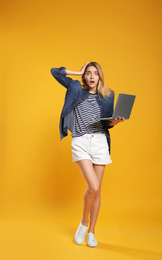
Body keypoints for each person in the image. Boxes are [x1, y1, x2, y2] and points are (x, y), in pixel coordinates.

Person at [50, 62, 125, 247]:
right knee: (92, 186)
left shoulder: (108, 96)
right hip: (80, 141)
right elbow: (54, 72)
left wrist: (114, 123)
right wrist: (78, 71)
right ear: (85, 76)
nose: (92, 77)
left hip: (100, 142)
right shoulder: (76, 88)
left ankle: (92, 232)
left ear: (100, 77)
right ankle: (84, 223)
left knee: (97, 190)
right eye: (88, 73)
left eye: (95, 73)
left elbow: (105, 124)